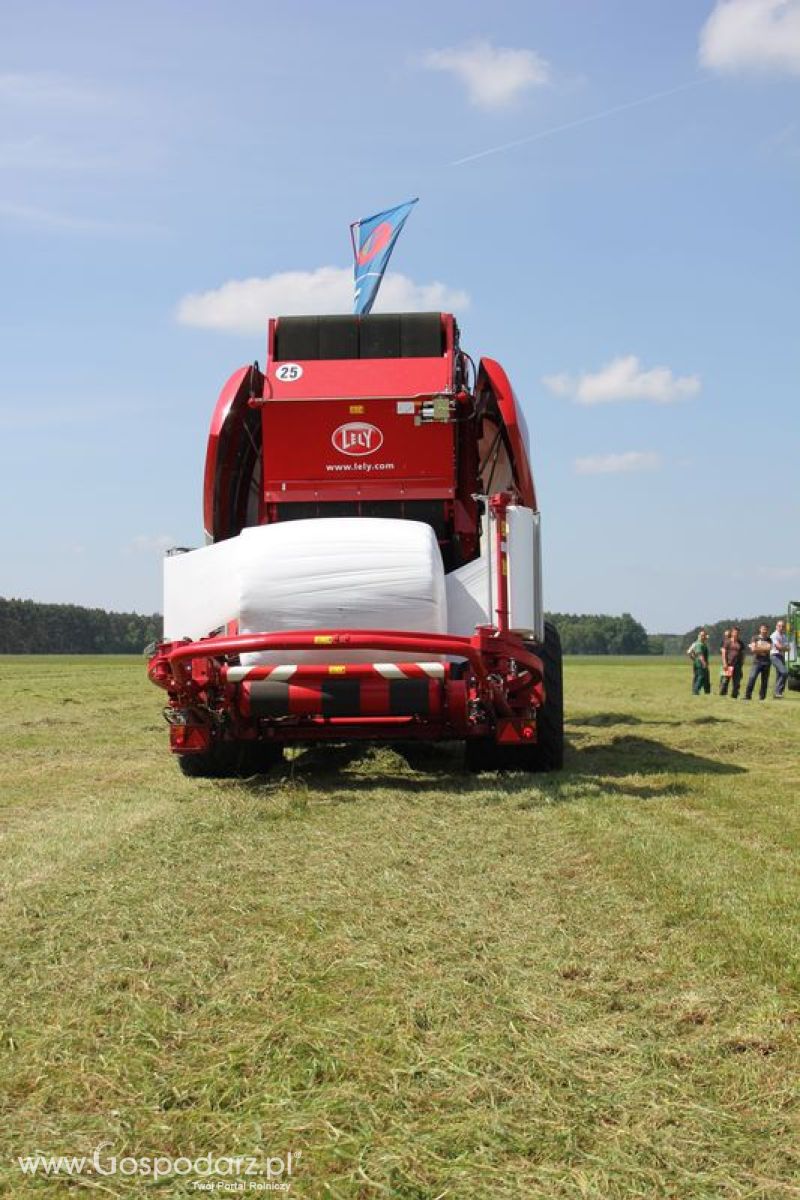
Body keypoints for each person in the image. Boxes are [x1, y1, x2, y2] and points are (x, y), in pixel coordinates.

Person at [744, 623, 772, 701]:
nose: (764, 631)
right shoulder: (755, 638)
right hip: (757, 662)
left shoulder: (769, 639)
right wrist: (763, 649)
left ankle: (762, 697)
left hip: (766, 663)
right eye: (763, 629)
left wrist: (758, 648)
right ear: (760, 629)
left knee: (764, 681)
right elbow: (753, 649)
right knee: (752, 678)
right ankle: (747, 696)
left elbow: (769, 648)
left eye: (766, 629)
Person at [720, 626, 745, 698]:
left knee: (736, 682)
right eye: (734, 632)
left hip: (737, 665)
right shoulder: (727, 642)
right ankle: (722, 695)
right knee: (724, 681)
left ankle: (734, 696)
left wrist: (742, 664)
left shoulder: (741, 643)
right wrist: (724, 663)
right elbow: (723, 653)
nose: (736, 634)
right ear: (732, 633)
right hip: (728, 664)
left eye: (737, 633)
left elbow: (743, 654)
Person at [686, 628, 710, 694]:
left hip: (696, 663)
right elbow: (700, 654)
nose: (705, 637)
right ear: (700, 636)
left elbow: (688, 652)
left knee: (698, 677)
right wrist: (704, 663)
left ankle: (705, 691)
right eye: (703, 636)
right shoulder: (700, 644)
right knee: (701, 677)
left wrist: (693, 659)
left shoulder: (695, 643)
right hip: (701, 663)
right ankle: (696, 691)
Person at [771, 619, 789, 698]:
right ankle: (778, 692)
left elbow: (788, 648)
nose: (781, 627)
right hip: (774, 655)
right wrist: (784, 648)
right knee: (784, 672)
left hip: (781, 656)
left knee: (779, 675)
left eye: (783, 626)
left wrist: (783, 648)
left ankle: (777, 694)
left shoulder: (784, 636)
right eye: (779, 626)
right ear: (776, 626)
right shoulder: (774, 635)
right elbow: (778, 647)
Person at [719, 628, 731, 693]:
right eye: (726, 635)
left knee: (727, 677)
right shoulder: (723, 642)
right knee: (723, 677)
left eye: (728, 635)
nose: (727, 636)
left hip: (731, 661)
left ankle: (724, 690)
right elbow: (721, 650)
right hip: (725, 661)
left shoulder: (732, 641)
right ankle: (722, 690)